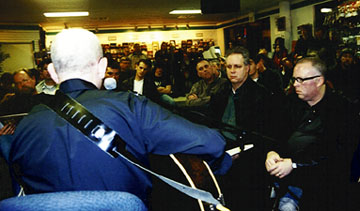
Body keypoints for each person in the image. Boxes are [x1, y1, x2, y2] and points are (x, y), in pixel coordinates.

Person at [8, 29, 232, 208]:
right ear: (104, 66)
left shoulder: (25, 126)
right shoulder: (129, 106)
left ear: (53, 72)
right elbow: (211, 142)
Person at [265, 57, 355, 211]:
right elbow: (275, 135)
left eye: (300, 80)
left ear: (319, 81)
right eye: (294, 79)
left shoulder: (342, 110)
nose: (295, 84)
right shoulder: (291, 103)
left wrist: (294, 164)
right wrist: (271, 153)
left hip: (324, 187)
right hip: (287, 180)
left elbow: (337, 157)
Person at [209, 46, 283, 210]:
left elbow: (270, 135)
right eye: (229, 67)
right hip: (220, 157)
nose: (232, 71)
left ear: (248, 68)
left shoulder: (262, 96)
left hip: (251, 165)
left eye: (237, 66)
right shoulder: (219, 93)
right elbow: (211, 125)